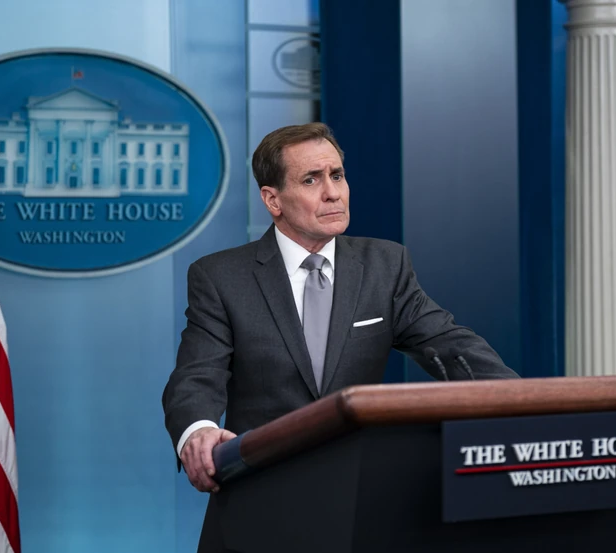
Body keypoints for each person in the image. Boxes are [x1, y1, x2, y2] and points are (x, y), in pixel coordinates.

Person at [162, 122, 518, 552]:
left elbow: (450, 345)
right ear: (272, 199)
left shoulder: (385, 265)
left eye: (337, 175)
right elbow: (196, 375)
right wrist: (198, 431)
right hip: (259, 505)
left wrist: (521, 402)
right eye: (311, 180)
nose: (333, 193)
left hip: (359, 508)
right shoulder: (221, 277)